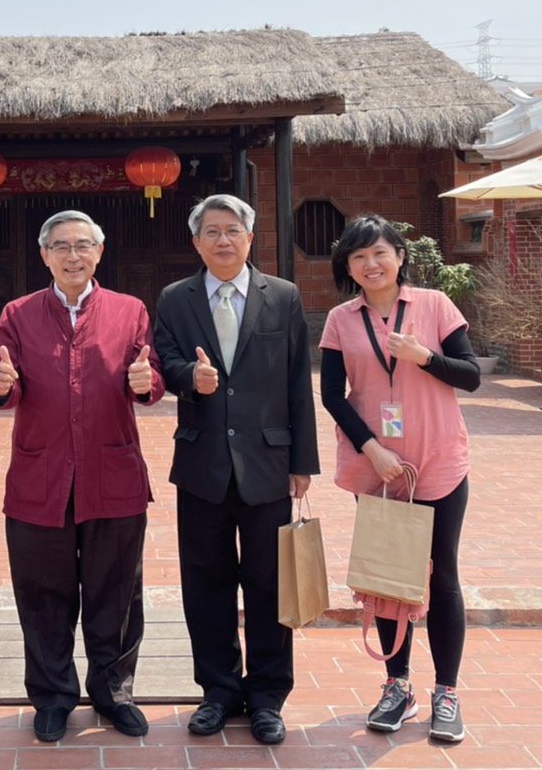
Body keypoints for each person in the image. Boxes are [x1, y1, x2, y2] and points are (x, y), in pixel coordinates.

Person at [0, 210, 164, 744]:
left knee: (116, 591)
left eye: (82, 245)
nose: (72, 255)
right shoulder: (17, 314)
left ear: (99, 252)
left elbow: (149, 381)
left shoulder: (129, 310)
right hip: (41, 477)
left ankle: (113, 692)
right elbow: (3, 390)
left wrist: (145, 381)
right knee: (43, 593)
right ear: (44, 255)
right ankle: (53, 695)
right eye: (60, 246)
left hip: (113, 472)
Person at [152, 193, 318, 746]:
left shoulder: (284, 296)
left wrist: (302, 462)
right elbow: (166, 360)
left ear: (250, 237)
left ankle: (268, 695)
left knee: (271, 586)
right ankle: (219, 690)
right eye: (212, 231)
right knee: (206, 583)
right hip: (201, 464)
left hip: (269, 464)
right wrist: (186, 380)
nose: (223, 240)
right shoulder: (175, 299)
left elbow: (298, 381)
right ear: (196, 241)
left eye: (233, 230)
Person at [319, 214, 481, 743]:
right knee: (390, 578)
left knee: (442, 576)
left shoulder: (435, 305)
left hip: (437, 461)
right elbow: (330, 395)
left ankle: (448, 693)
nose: (371, 264)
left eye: (380, 253)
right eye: (359, 257)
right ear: (348, 266)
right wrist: (372, 449)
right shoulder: (341, 319)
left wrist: (424, 356)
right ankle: (397, 685)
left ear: (399, 256)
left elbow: (471, 375)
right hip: (381, 469)